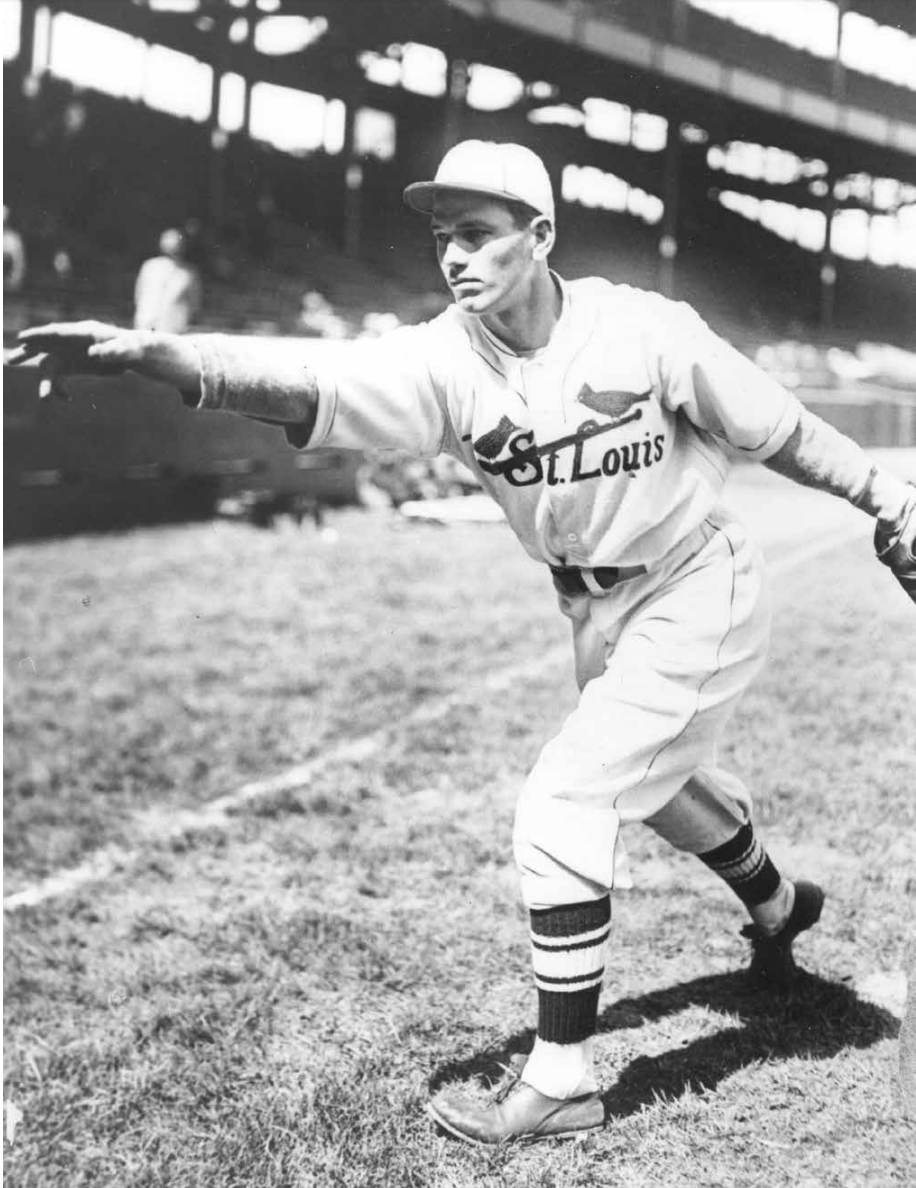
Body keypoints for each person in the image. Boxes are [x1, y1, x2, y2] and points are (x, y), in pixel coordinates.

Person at [10, 140, 915, 1145]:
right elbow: (311, 380)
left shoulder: (642, 328)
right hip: (590, 607)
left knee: (566, 799)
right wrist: (158, 357)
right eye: (444, 237)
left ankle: (563, 1079)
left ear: (540, 237)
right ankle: (779, 900)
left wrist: (885, 496)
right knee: (652, 785)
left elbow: (778, 428)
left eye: (479, 234)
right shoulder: (446, 354)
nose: (455, 257)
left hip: (695, 581)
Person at [133, 228, 202, 333]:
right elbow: (139, 295)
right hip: (147, 324)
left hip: (170, 328)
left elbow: (194, 304)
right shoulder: (149, 266)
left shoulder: (188, 272)